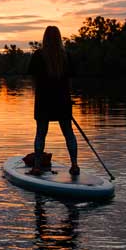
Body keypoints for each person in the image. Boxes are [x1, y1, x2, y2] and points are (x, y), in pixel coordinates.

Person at [27, 25, 79, 176]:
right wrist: (69, 98)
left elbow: (33, 79)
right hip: (62, 101)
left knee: (41, 133)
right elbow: (70, 81)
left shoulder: (38, 55)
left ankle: (36, 166)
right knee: (68, 133)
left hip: (44, 101)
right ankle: (74, 164)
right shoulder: (66, 56)